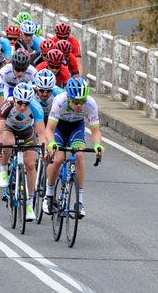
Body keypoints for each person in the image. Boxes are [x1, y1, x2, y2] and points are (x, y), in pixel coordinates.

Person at [43, 77, 104, 218]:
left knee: (79, 156)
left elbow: (95, 131)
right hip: (59, 127)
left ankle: (79, 202)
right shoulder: (59, 101)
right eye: (76, 102)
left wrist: (97, 145)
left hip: (76, 127)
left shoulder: (90, 104)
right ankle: (49, 195)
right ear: (69, 97)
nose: (78, 106)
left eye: (81, 102)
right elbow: (49, 129)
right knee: (58, 158)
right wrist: (51, 143)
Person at [0, 82, 47, 222]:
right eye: (20, 103)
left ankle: (29, 203)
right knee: (9, 143)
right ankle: (4, 169)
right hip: (9, 128)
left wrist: (44, 150)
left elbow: (41, 133)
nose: (23, 107)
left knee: (30, 165)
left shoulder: (36, 107)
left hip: (27, 131)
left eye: (26, 104)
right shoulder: (7, 105)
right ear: (15, 99)